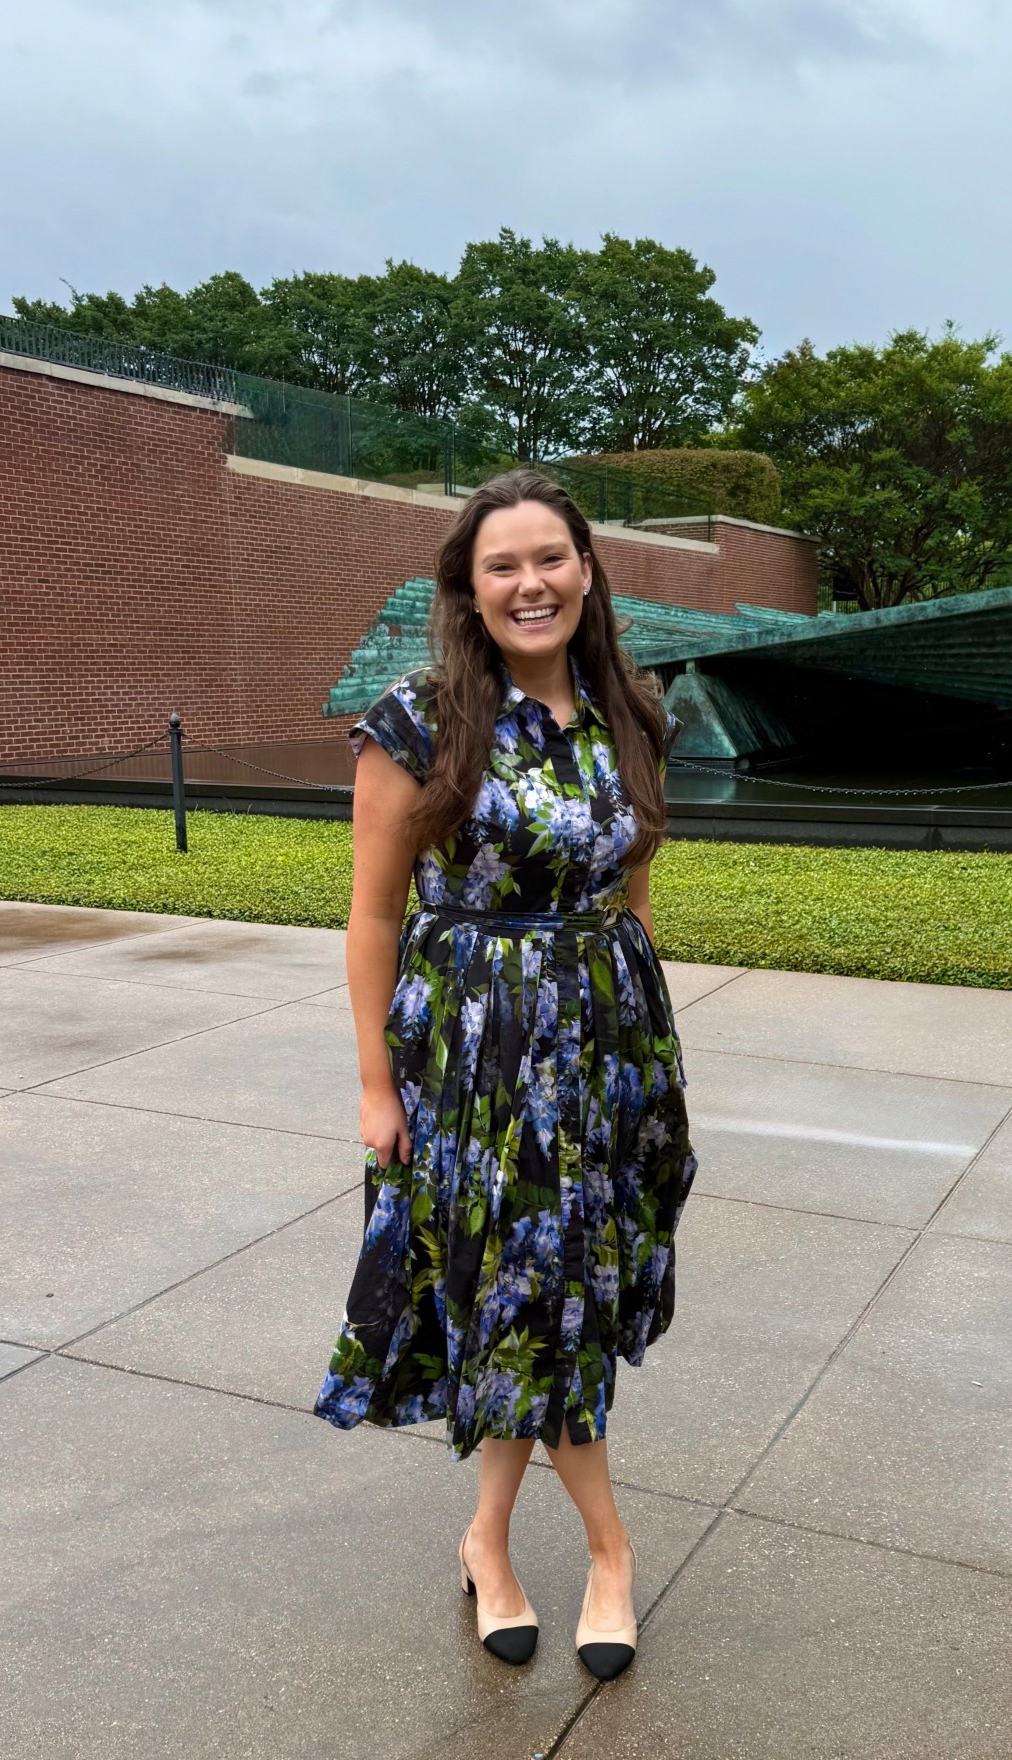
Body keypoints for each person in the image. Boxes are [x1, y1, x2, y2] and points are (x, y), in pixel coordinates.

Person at [314, 469, 697, 1680]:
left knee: (541, 1299)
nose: (530, 583)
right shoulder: (418, 722)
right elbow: (374, 917)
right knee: (530, 1293)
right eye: (502, 565)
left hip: (607, 1050)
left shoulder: (632, 711)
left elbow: (632, 893)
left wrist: (642, 1050)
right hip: (476, 1056)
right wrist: (377, 1087)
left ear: (585, 569)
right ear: (468, 589)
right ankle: (610, 1549)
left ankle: (485, 1536)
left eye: (549, 558)